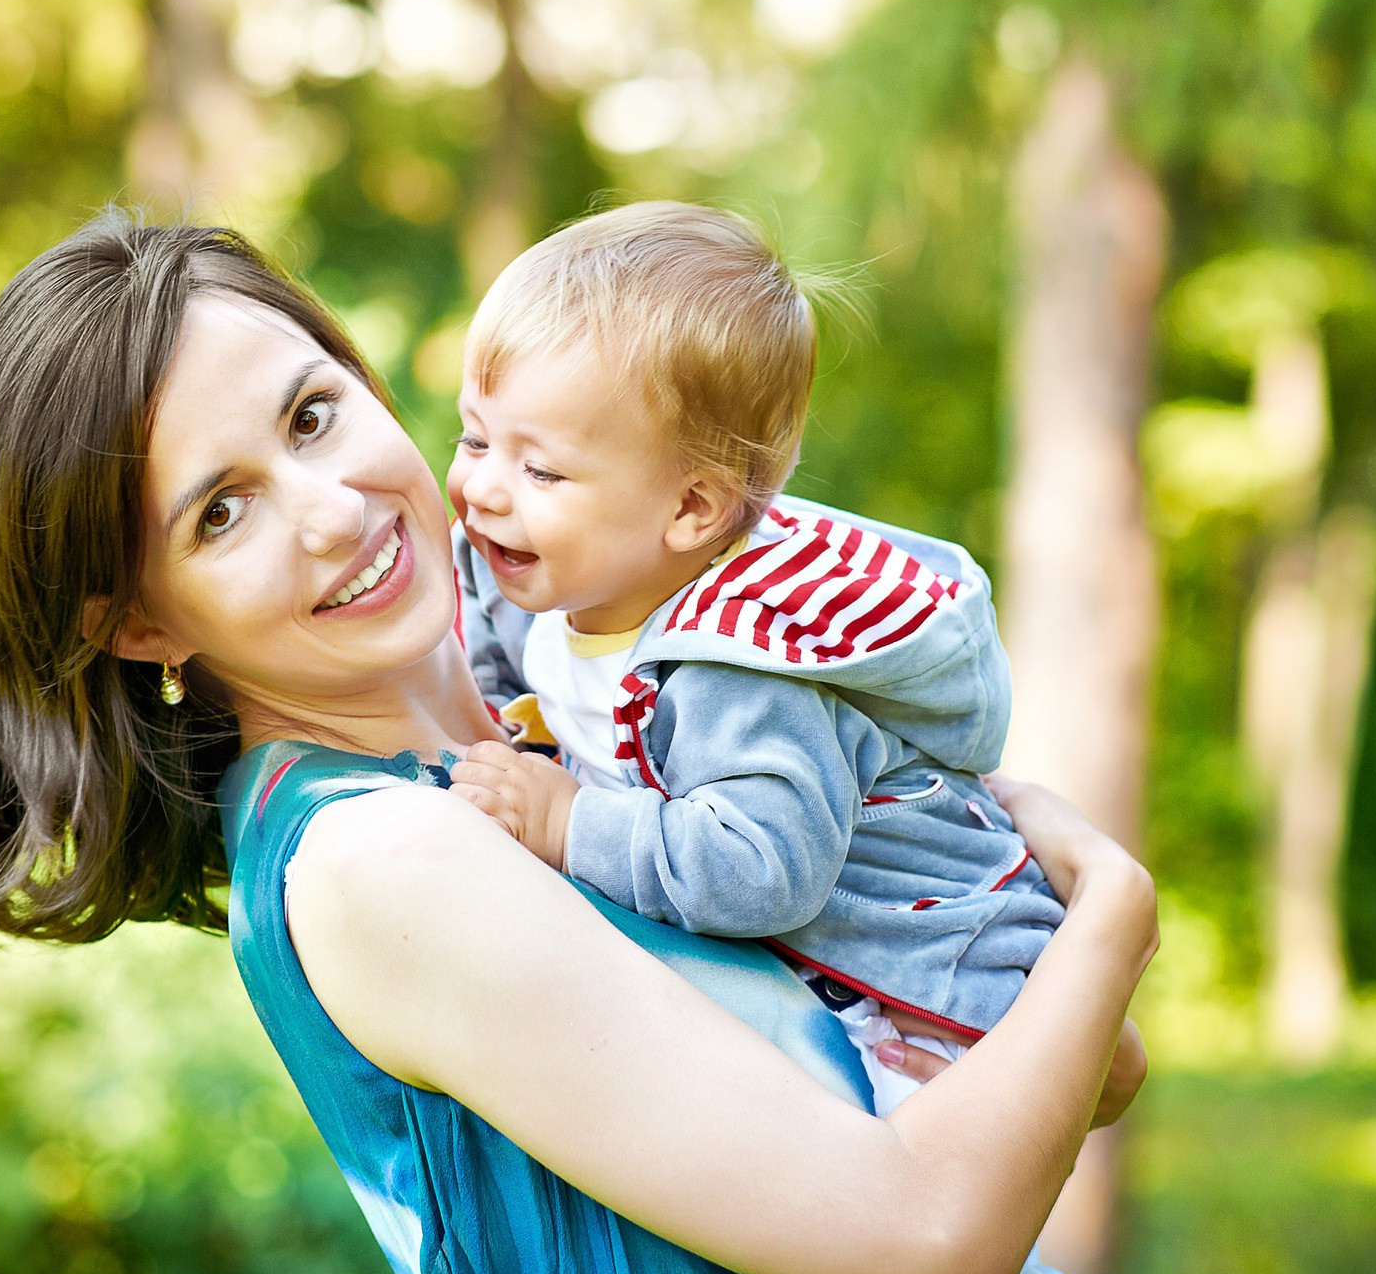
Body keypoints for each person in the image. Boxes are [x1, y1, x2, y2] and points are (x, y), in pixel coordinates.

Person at [0, 212, 1158, 1274]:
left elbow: (1049, 1077)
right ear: (141, 621)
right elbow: (921, 1238)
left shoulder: (578, 693)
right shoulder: (375, 855)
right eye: (221, 511)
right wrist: (1109, 911)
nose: (333, 509)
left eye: (314, 414)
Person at [442, 201, 1065, 1115]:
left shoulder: (737, 671)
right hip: (809, 995)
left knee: (891, 1228)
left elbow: (764, 868)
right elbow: (503, 663)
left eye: (541, 471)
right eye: (474, 437)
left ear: (692, 510)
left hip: (918, 995)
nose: (484, 489)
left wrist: (569, 820)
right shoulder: (543, 583)